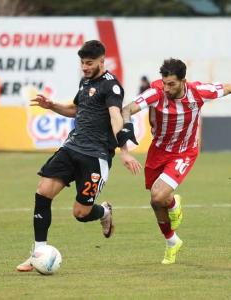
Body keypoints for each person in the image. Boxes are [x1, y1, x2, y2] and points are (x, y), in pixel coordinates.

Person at [121, 58, 231, 265]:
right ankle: (172, 241)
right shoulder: (155, 92)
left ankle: (172, 205)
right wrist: (127, 126)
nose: (166, 89)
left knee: (157, 195)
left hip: (184, 153)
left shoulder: (198, 92)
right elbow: (127, 109)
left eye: (172, 84)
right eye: (164, 83)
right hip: (158, 152)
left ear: (183, 81)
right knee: (156, 201)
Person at [17, 40, 142, 272]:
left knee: (81, 213)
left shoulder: (111, 86)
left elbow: (117, 117)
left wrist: (124, 151)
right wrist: (52, 105)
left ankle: (104, 211)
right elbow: (76, 109)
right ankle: (37, 253)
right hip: (71, 147)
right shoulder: (85, 81)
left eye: (89, 63)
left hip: (96, 156)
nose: (84, 67)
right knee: (42, 192)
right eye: (82, 63)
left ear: (102, 61)